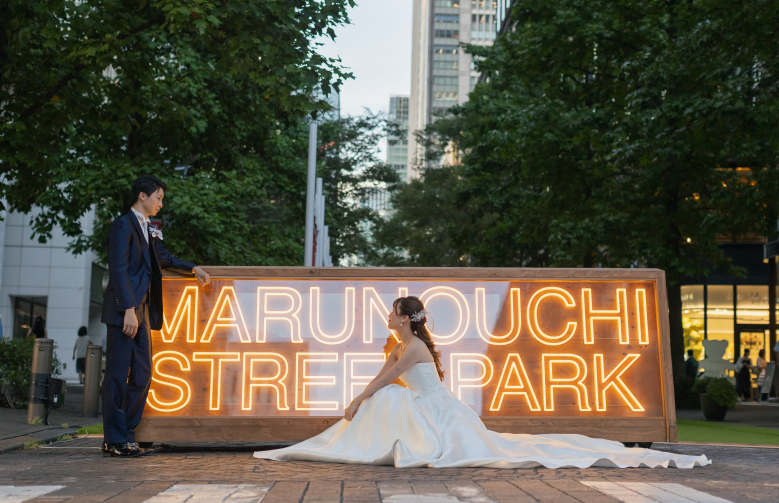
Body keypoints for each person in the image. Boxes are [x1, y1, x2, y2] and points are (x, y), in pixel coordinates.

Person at [255, 296, 710, 469]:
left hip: (435, 408)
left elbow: (386, 378)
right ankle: (351, 443)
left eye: (393, 312)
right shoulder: (405, 343)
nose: (388, 316)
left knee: (383, 399)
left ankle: (352, 443)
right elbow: (385, 371)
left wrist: (356, 398)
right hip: (425, 402)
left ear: (406, 318)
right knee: (386, 399)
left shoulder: (413, 348)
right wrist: (370, 383)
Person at [101, 175, 209, 458]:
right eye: (158, 197)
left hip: (143, 311)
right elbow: (119, 269)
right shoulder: (122, 226)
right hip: (124, 311)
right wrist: (127, 309)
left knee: (143, 373)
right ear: (142, 196)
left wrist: (192, 267)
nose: (161, 202)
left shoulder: (148, 228)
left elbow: (163, 258)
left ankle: (126, 435)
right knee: (116, 376)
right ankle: (114, 440)